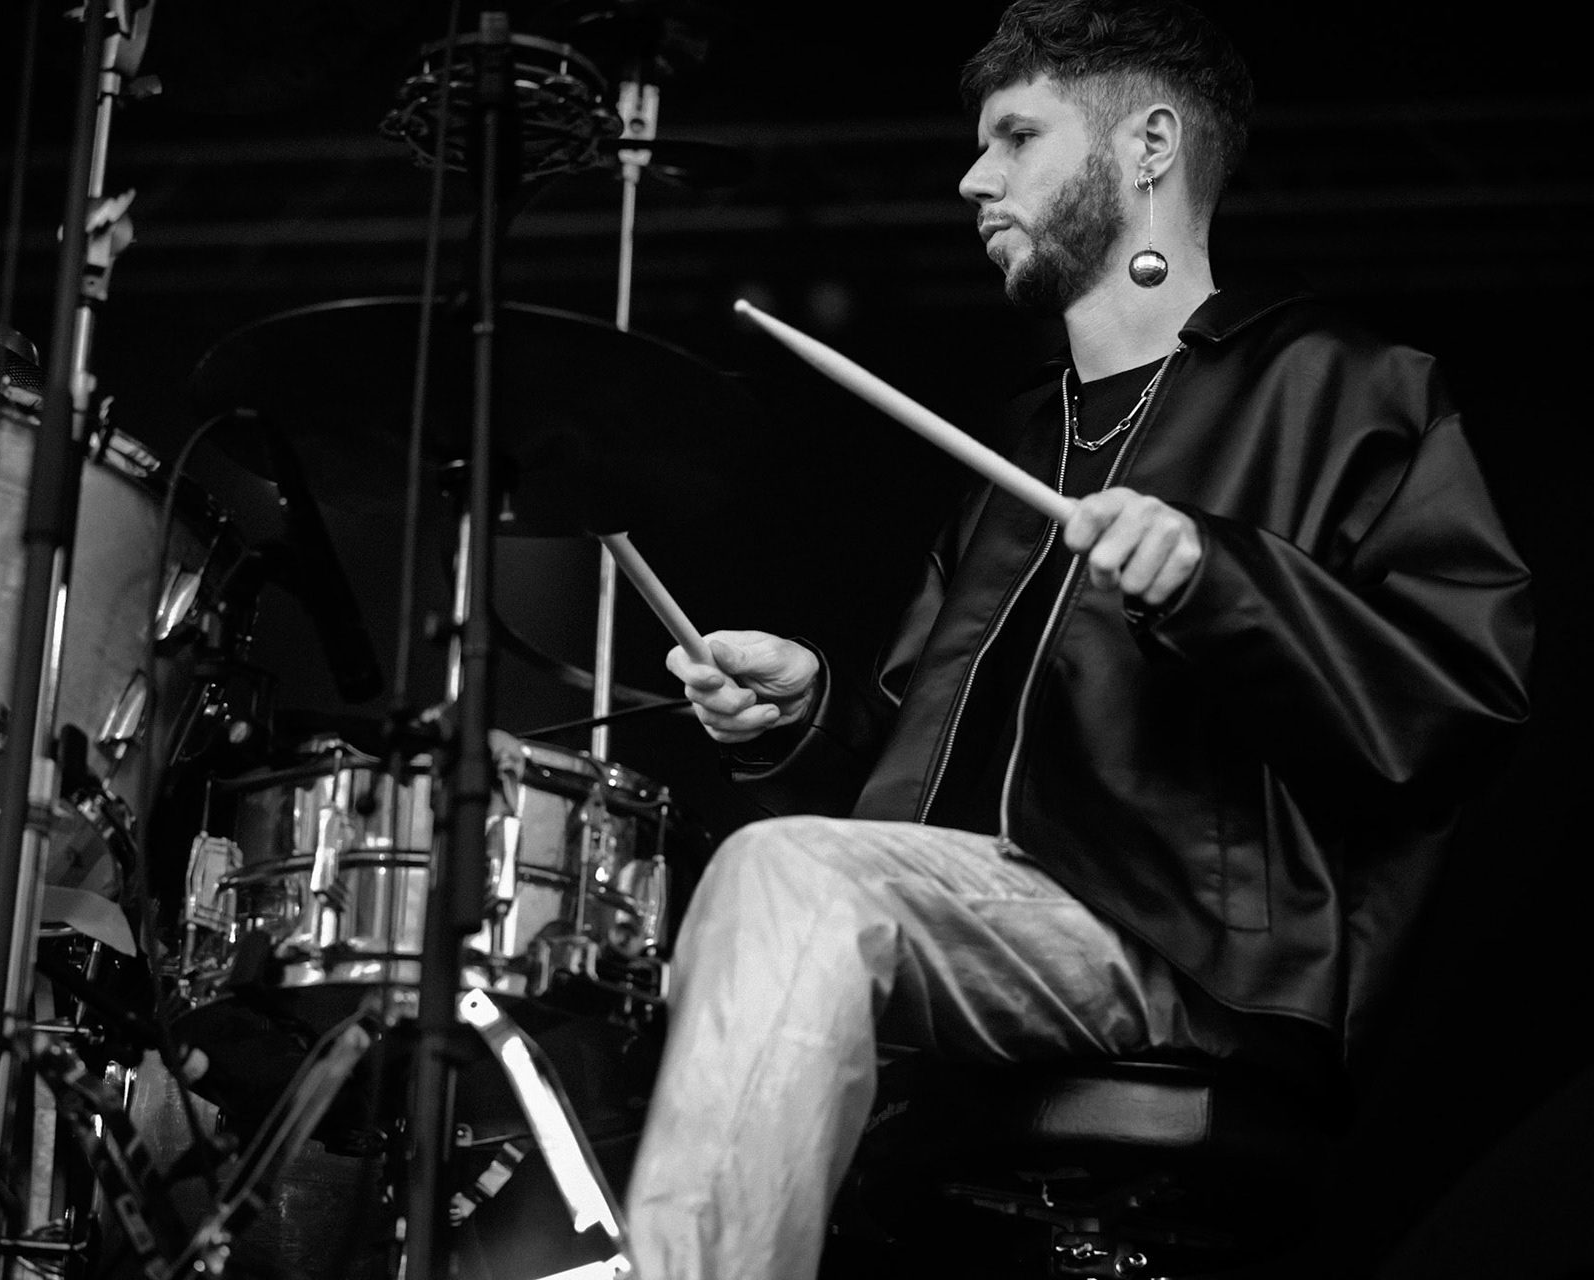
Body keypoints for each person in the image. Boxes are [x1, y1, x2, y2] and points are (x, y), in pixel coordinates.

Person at [619, 3, 1534, 1278]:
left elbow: (1459, 705)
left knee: (787, 882)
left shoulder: (1343, 384)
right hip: (992, 923)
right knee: (688, 942)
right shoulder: (1018, 446)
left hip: (1177, 944)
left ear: (1150, 144)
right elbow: (918, 787)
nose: (972, 177)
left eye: (1016, 137)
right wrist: (810, 712)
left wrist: (1220, 575)